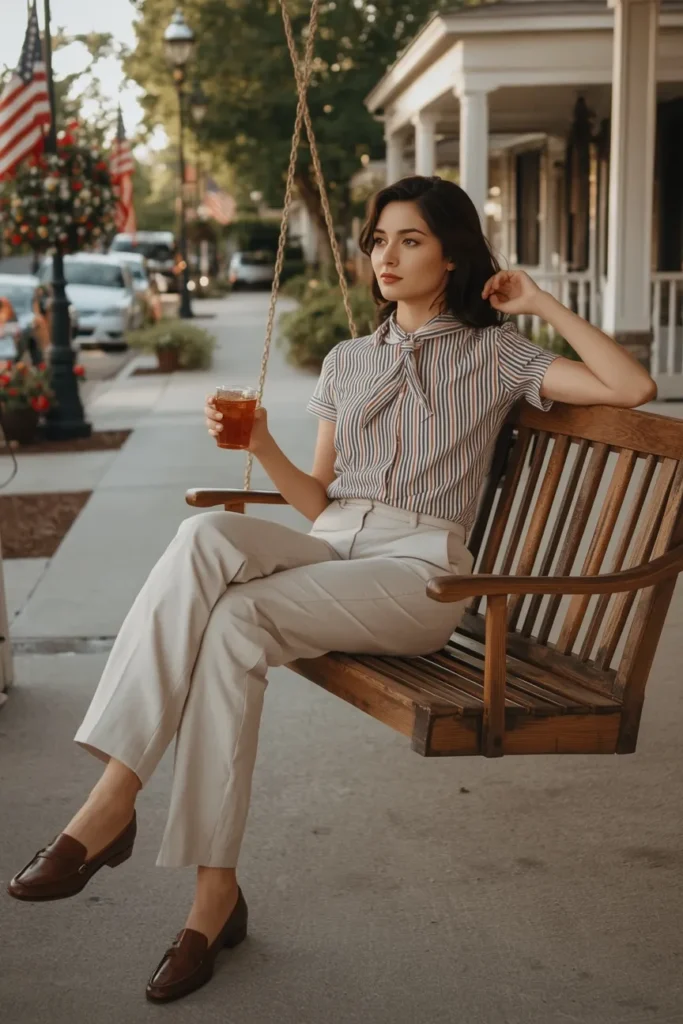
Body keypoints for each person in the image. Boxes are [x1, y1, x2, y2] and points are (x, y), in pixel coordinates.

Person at [7, 176, 657, 1003]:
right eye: (378, 240)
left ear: (452, 254)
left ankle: (125, 824)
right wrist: (263, 446)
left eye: (410, 240)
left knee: (238, 617)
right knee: (204, 540)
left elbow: (631, 389)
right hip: (334, 547)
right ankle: (186, 867)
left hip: (420, 574)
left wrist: (538, 303)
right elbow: (320, 502)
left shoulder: (494, 353)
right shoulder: (349, 360)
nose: (387, 255)